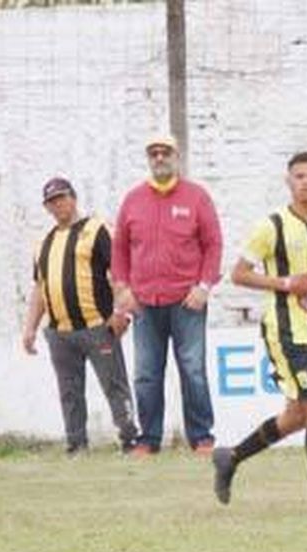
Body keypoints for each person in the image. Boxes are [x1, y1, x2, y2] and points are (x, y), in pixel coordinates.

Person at [212, 152, 307, 514]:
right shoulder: (272, 226)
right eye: (299, 176)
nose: (306, 182)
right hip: (285, 330)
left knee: (296, 416)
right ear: (288, 181)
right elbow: (239, 273)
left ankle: (231, 457)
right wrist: (286, 283)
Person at [112, 134, 223, 455]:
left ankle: (202, 437)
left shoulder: (196, 197)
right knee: (146, 374)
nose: (159, 158)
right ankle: (148, 439)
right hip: (145, 303)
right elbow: (120, 248)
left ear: (177, 156)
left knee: (193, 369)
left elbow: (213, 244)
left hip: (187, 301)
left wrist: (204, 286)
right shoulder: (133, 199)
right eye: (153, 153)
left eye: (165, 152)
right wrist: (122, 287)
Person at [20, 177, 141, 454]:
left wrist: (121, 311)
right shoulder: (44, 243)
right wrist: (29, 328)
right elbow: (40, 288)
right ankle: (76, 444)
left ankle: (130, 438)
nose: (58, 205)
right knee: (69, 392)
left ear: (73, 198)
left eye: (62, 198)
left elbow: (120, 273)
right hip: (60, 332)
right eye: (51, 201)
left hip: (97, 326)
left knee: (115, 385)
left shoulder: (97, 229)